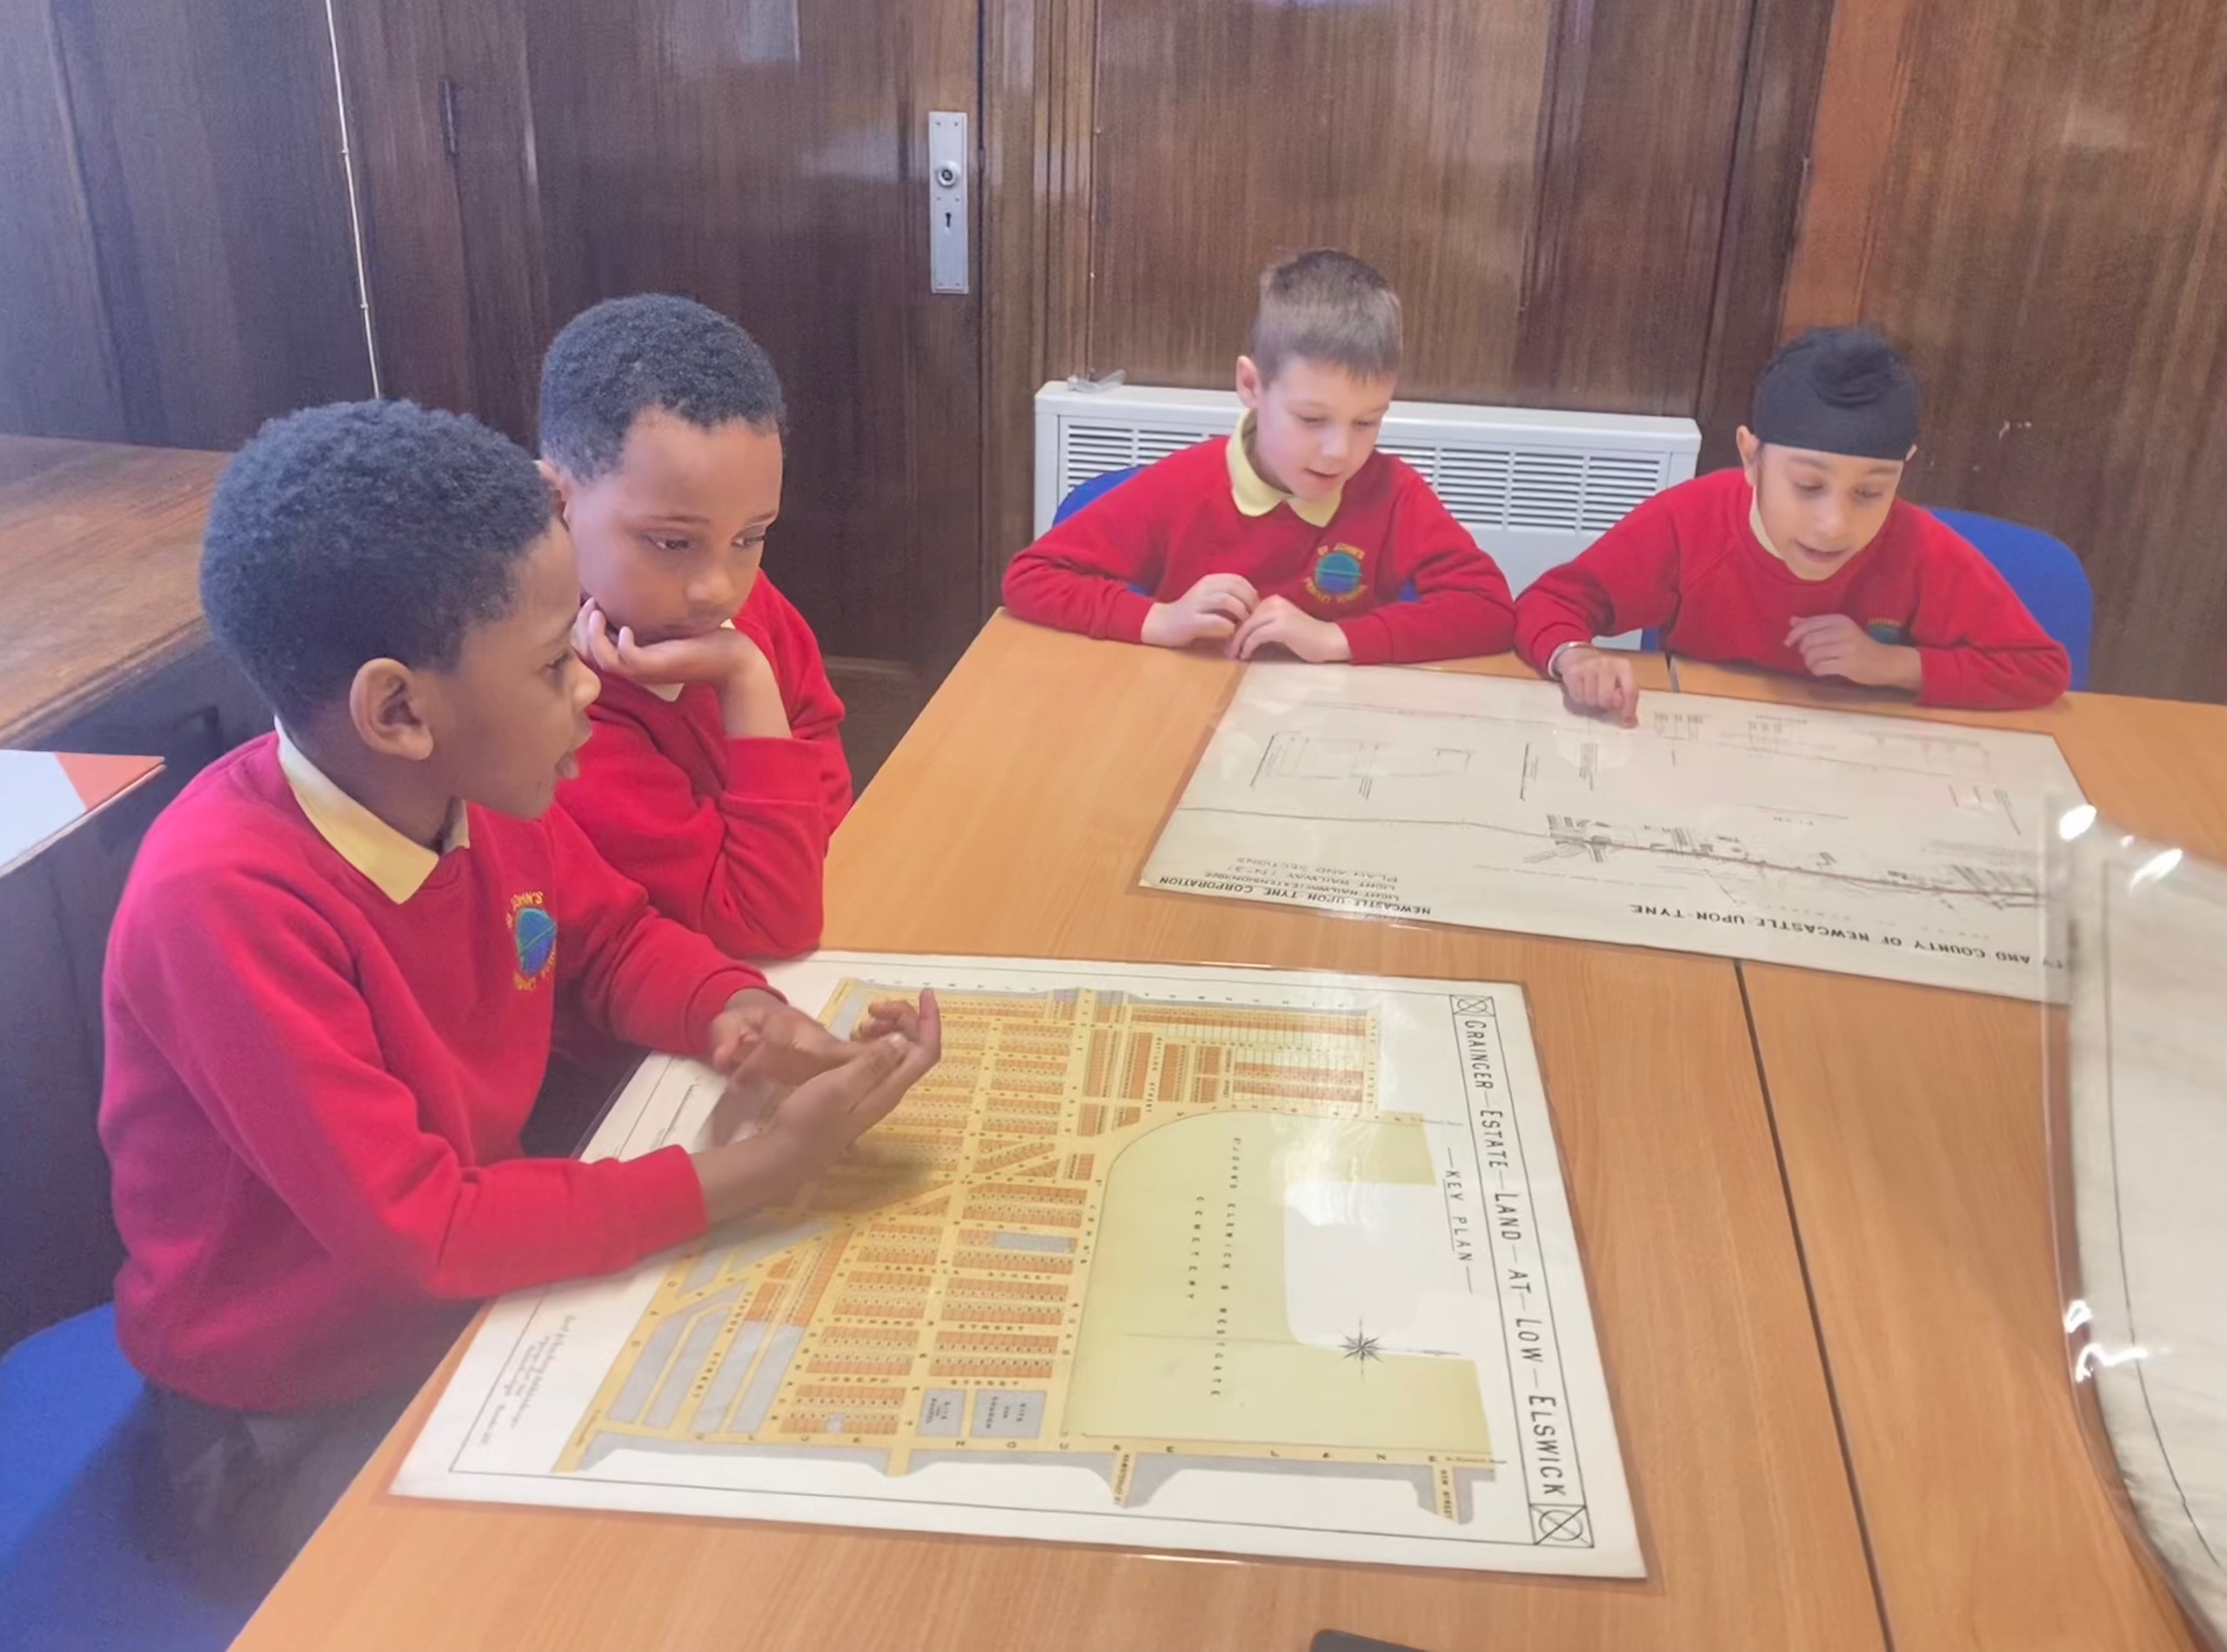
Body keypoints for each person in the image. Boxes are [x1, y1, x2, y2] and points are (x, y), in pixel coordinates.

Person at [99, 399, 938, 1587]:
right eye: (554, 664)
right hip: (282, 1418)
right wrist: (761, 1169)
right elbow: (425, 1229)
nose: (589, 687)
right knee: (580, 1586)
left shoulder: (479, 791)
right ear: (400, 710)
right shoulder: (222, 902)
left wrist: (741, 1015)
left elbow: (613, 943)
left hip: (465, 1312)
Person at [1515, 325, 2070, 721]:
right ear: (1751, 457)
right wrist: (1576, 655)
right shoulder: (1691, 522)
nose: (1834, 525)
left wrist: (1894, 665)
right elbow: (1551, 603)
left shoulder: (1920, 550)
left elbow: (2039, 669)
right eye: (1807, 486)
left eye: (1870, 492)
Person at [1002, 251, 1515, 665]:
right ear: (1251, 385)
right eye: (1311, 419)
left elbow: (1490, 610)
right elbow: (1030, 577)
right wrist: (1160, 620)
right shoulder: (1182, 486)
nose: (1340, 452)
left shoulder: (1392, 492)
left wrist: (1336, 639)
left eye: (1366, 422)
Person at [542, 294, 847, 960]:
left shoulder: (744, 603)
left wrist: (786, 853)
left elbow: (820, 750)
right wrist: (744, 679)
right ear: (556, 503)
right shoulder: (555, 710)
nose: (718, 587)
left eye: (750, 537)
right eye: (671, 543)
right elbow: (771, 921)